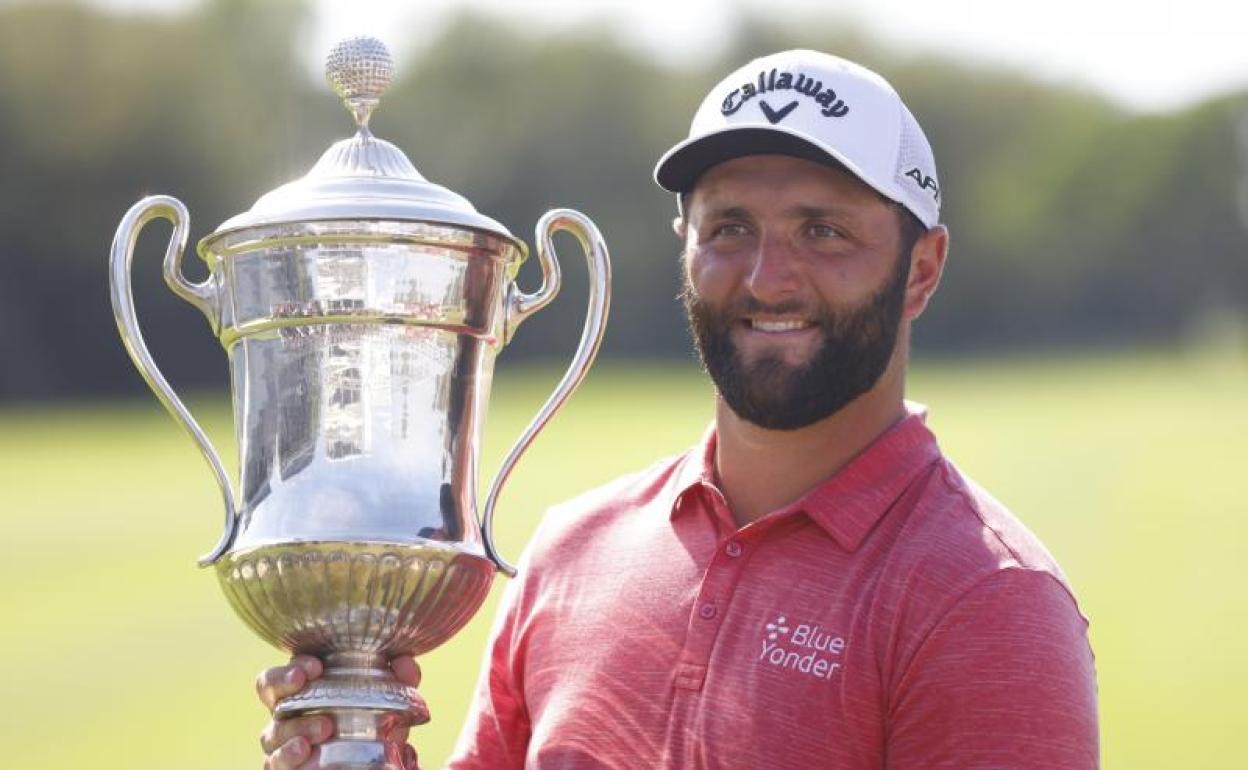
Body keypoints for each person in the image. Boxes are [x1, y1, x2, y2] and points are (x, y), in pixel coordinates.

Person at [256, 49, 1099, 769]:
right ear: (685, 248)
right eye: (729, 228)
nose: (768, 278)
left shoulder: (990, 604)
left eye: (824, 232)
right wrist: (354, 738)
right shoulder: (571, 551)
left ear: (921, 268)